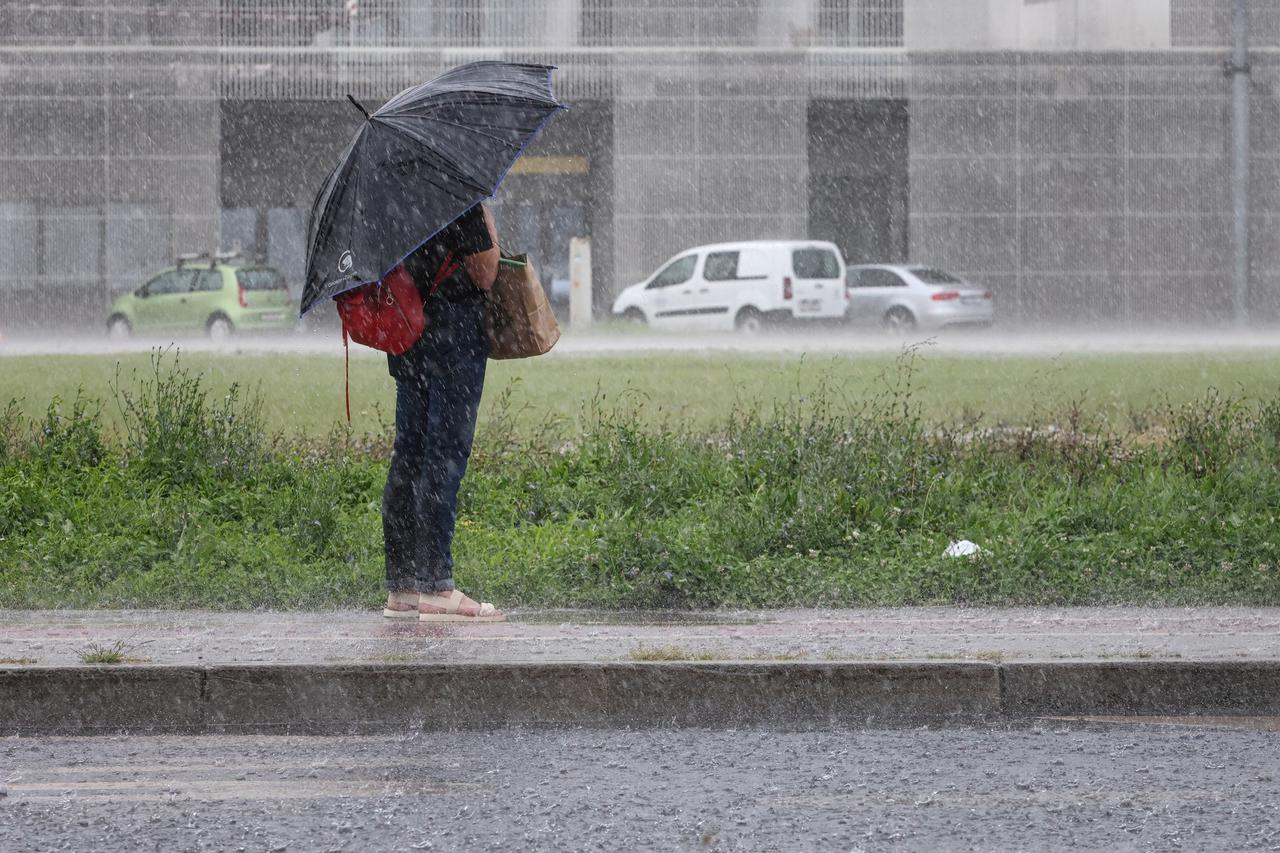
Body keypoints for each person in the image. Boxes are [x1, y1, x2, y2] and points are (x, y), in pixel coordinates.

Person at [381, 203, 505, 622]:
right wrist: (485, 212)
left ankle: (404, 587)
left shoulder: (392, 194)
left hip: (408, 333)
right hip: (454, 337)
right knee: (444, 454)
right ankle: (437, 586)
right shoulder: (455, 191)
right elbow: (486, 270)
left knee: (410, 455)